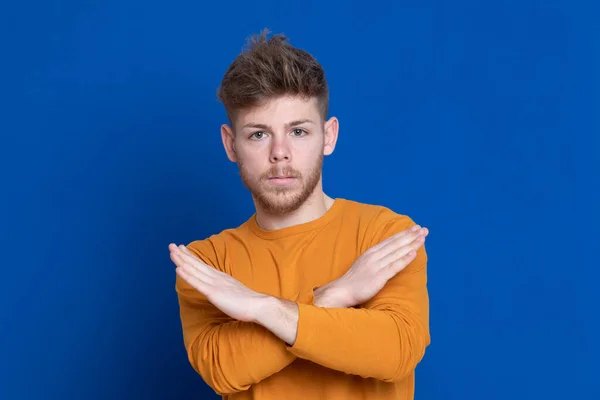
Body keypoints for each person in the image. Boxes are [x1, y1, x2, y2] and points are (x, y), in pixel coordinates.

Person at [170, 29, 431, 400]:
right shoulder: (207, 263)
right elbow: (224, 368)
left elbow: (396, 352)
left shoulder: (385, 235)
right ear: (231, 144)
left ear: (328, 136)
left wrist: (262, 310)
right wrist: (333, 296)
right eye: (259, 134)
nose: (280, 153)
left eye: (298, 131)